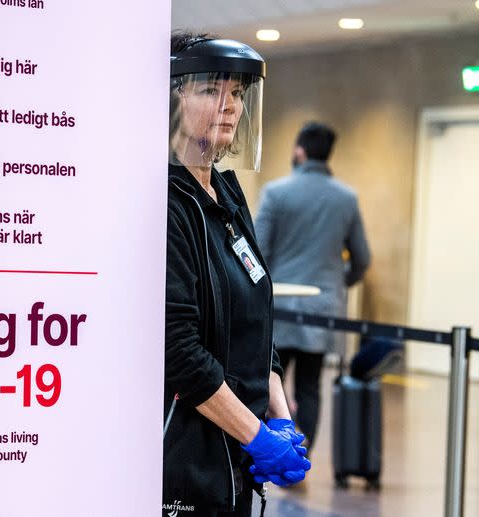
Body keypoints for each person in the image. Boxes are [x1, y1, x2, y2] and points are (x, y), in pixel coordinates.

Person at [163, 32, 311, 517]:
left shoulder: (227, 197)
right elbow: (178, 349)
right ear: (170, 98)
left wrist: (280, 420)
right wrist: (257, 436)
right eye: (210, 91)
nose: (229, 107)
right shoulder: (166, 201)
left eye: (238, 94)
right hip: (185, 459)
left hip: (235, 454)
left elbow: (255, 320)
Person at [255, 122, 371, 452]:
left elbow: (257, 251)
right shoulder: (346, 199)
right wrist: (339, 282)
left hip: (280, 307)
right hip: (324, 310)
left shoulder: (276, 193)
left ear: (299, 151)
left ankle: (272, 451)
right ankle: (301, 456)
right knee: (309, 386)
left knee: (268, 381)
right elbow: (362, 257)